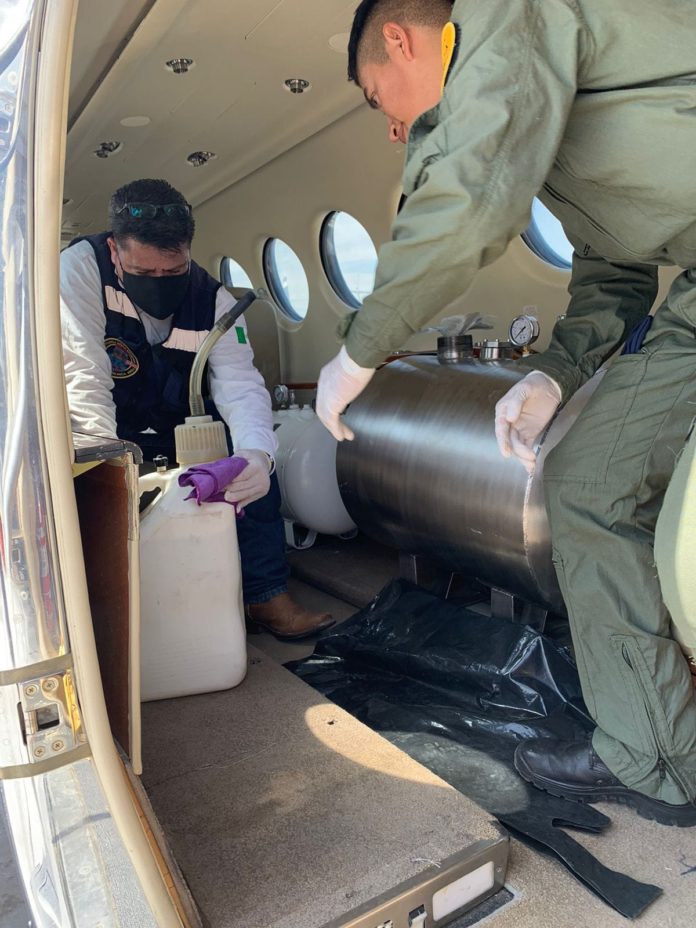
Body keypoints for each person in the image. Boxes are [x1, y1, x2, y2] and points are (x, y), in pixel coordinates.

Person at [315, 0, 696, 825]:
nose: (392, 128)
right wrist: (556, 372)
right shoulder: (546, 111)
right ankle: (657, 741)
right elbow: (615, 263)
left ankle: (657, 754)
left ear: (399, 40)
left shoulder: (509, 15)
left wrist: (359, 349)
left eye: (378, 100)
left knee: (599, 493)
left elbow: (473, 192)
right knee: (590, 479)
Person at [61, 177, 333, 641]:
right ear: (114, 251)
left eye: (173, 271)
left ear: (188, 252)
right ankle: (108, 611)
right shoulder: (79, 271)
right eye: (144, 272)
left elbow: (241, 385)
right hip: (105, 422)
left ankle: (266, 596)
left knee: (247, 466)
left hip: (176, 417)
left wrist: (257, 456)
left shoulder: (214, 300)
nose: (159, 282)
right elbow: (83, 374)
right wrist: (108, 465)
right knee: (87, 495)